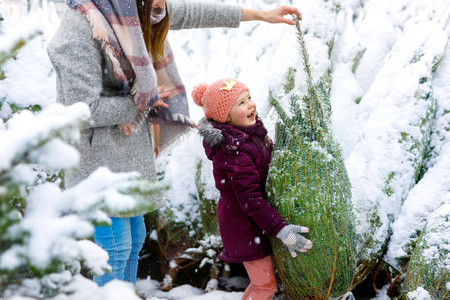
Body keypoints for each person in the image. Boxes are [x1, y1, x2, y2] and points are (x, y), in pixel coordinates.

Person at [47, 0, 302, 287]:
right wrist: (143, 102)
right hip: (97, 159)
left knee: (133, 242)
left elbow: (193, 12)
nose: (162, 3)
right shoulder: (82, 23)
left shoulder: (137, 10)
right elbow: (80, 108)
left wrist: (263, 15)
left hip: (129, 151)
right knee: (115, 248)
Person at [193, 78, 313, 300]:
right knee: (265, 286)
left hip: (254, 222)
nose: (250, 105)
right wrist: (281, 230)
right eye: (241, 103)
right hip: (243, 226)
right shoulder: (231, 151)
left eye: (248, 97)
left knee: (262, 285)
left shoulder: (251, 134)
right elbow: (250, 198)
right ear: (225, 117)